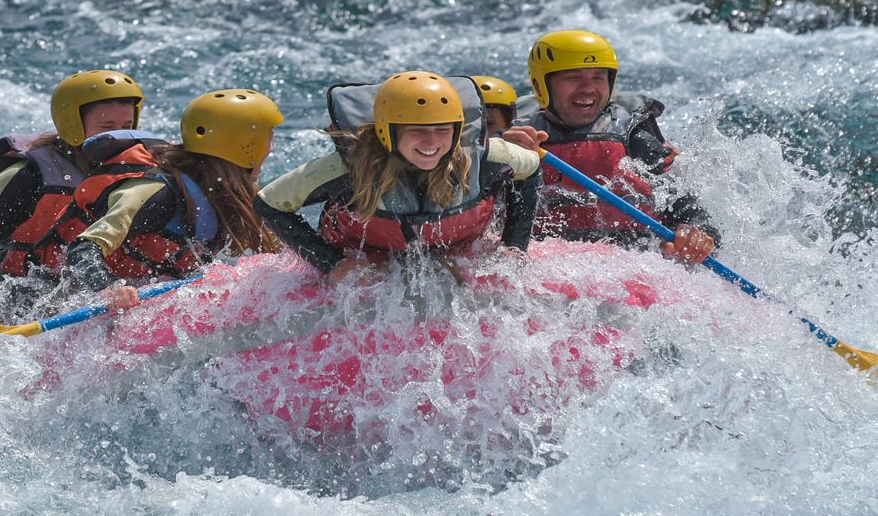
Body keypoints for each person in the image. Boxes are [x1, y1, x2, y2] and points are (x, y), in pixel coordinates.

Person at [254, 71, 541, 283]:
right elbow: (268, 203)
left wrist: (514, 246)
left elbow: (530, 170)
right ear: (386, 131)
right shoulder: (344, 170)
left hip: (453, 252)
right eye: (416, 129)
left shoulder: (483, 157)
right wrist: (332, 264)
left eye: (443, 129)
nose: (432, 142)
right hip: (367, 265)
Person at [0, 69, 145, 321]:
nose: (118, 137)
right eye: (106, 127)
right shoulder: (28, 177)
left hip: (71, 293)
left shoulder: (133, 174)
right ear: (72, 125)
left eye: (126, 127)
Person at [505, 30, 718, 264]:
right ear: (540, 84)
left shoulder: (635, 141)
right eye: (573, 78)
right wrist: (507, 158)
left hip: (629, 264)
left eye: (598, 77)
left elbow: (685, 207)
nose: (588, 89)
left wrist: (697, 236)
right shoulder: (513, 139)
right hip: (544, 262)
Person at [65, 89, 285, 310]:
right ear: (245, 144)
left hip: (151, 286)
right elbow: (84, 246)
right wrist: (109, 290)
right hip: (68, 292)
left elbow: (275, 252)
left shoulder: (228, 189)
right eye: (269, 138)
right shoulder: (156, 193)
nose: (272, 148)